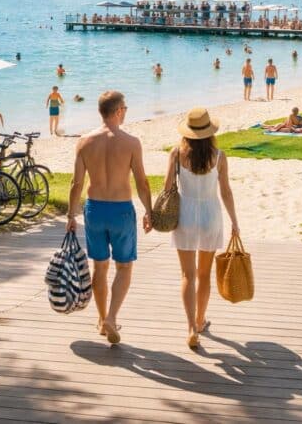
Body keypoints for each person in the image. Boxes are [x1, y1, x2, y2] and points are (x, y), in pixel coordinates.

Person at [67, 91, 153, 346]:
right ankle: (112, 318)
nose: (125, 112)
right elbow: (142, 181)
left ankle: (102, 318)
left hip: (94, 209)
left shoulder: (84, 141)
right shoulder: (131, 142)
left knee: (100, 266)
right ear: (117, 111)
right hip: (121, 210)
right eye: (124, 108)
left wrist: (71, 214)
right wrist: (149, 210)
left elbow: (76, 183)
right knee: (124, 267)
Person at [164, 108, 239, 349]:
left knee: (187, 275)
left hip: (184, 216)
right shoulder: (219, 156)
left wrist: (154, 214)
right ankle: (199, 320)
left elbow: (167, 188)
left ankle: (190, 328)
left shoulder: (176, 154)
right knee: (204, 275)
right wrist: (235, 222)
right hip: (210, 216)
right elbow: (226, 192)